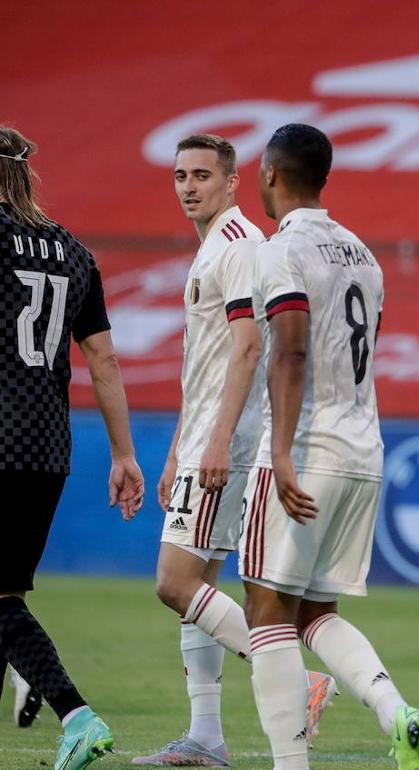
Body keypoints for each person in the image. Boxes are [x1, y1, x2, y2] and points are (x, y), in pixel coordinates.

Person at [133, 134, 335, 767]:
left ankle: (298, 681)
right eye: (179, 175)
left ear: (232, 182)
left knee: (175, 583)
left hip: (230, 444)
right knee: (202, 587)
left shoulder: (239, 246)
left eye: (201, 175)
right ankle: (207, 738)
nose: (188, 186)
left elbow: (250, 348)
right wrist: (175, 452)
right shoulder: (214, 249)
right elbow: (205, 364)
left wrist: (218, 442)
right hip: (204, 440)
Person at [241, 123, 419, 770]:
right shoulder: (362, 253)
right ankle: (396, 714)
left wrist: (284, 451)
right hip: (362, 446)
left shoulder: (280, 251)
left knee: (266, 608)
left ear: (270, 174)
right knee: (314, 611)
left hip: (308, 446)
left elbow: (292, 350)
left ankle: (289, 764)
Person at [0, 125, 145, 769]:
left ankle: (77, 715)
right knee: (4, 597)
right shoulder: (72, 251)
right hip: (47, 449)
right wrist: (123, 453)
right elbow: (104, 360)